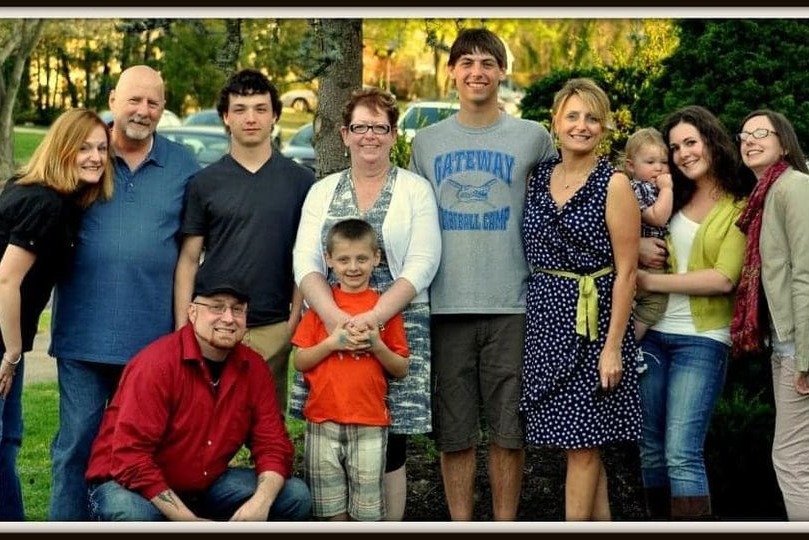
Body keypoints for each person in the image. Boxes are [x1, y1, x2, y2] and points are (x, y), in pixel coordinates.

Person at [409, 27, 556, 520]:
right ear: (452, 71)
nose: (477, 72)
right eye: (467, 62)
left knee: (509, 432)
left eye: (488, 63)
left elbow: (563, 202)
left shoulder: (533, 137)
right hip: (445, 303)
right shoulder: (426, 142)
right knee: (455, 434)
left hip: (513, 303)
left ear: (502, 71)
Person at [48, 65, 200, 521]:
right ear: (113, 99)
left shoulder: (183, 165)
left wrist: (182, 331)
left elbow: (190, 254)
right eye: (134, 99)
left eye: (153, 102)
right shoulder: (86, 155)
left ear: (164, 107)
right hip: (83, 335)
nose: (143, 110)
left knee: (143, 452)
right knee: (76, 445)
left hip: (152, 342)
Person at [291, 86, 440, 521]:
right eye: (360, 127)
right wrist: (337, 319)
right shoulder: (322, 191)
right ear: (345, 134)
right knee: (331, 433)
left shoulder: (415, 190)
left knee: (391, 442)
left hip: (396, 323)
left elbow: (424, 261)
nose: (369, 136)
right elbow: (305, 259)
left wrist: (373, 318)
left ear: (393, 134)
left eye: (379, 127)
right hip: (329, 323)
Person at [85, 278, 312, 521]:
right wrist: (189, 522)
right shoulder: (156, 364)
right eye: (217, 307)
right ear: (192, 312)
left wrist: (260, 502)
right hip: (128, 485)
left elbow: (273, 444)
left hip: (203, 485)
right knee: (133, 515)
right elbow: (131, 458)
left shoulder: (253, 367)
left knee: (294, 495)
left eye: (237, 309)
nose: (228, 318)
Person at [521, 78, 641, 521]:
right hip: (547, 323)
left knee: (584, 447)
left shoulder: (614, 184)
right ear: (555, 121)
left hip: (595, 327)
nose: (582, 125)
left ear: (604, 127)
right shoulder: (538, 178)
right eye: (572, 116)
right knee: (580, 446)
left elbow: (628, 272)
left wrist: (612, 348)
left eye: (592, 118)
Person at [174, 68, 315, 414]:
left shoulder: (301, 182)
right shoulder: (204, 183)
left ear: (275, 115)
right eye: (240, 109)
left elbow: (306, 257)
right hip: (212, 321)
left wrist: (292, 323)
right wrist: (183, 326)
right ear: (226, 117)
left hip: (272, 324)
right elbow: (189, 259)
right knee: (206, 424)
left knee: (266, 426)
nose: (250, 118)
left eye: (260, 108)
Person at [635, 105, 752, 520]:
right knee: (650, 447)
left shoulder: (740, 204)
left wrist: (650, 282)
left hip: (702, 340)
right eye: (675, 147)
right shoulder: (668, 198)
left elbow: (723, 278)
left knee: (681, 452)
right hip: (651, 335)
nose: (683, 154)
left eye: (691, 142)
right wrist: (638, 247)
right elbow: (629, 231)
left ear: (712, 142)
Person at [0, 109, 114, 521]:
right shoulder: (46, 203)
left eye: (102, 148)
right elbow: (6, 279)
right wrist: (13, 353)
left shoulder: (31, 187)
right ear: (63, 148)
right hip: (2, 344)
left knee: (6, 444)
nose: (95, 157)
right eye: (83, 148)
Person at [292, 218, 410, 521]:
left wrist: (377, 345)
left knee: (367, 511)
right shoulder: (321, 309)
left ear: (376, 258)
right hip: (323, 419)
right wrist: (332, 343)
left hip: (369, 421)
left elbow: (401, 368)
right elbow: (300, 361)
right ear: (329, 260)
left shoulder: (383, 310)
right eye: (343, 259)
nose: (353, 267)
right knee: (330, 509)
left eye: (361, 259)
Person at [731, 109, 809, 520]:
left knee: (791, 459)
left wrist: (805, 357)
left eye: (761, 133)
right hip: (785, 342)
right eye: (744, 135)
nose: (749, 140)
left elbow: (806, 274)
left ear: (784, 142)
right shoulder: (766, 196)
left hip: (799, 344)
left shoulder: (794, 186)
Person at [622, 127, 674, 342]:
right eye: (650, 162)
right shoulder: (638, 188)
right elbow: (656, 217)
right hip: (639, 264)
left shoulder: (653, 187)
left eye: (663, 162)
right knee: (653, 303)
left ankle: (629, 342)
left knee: (652, 304)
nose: (659, 168)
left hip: (651, 263)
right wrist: (667, 190)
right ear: (631, 166)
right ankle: (628, 343)